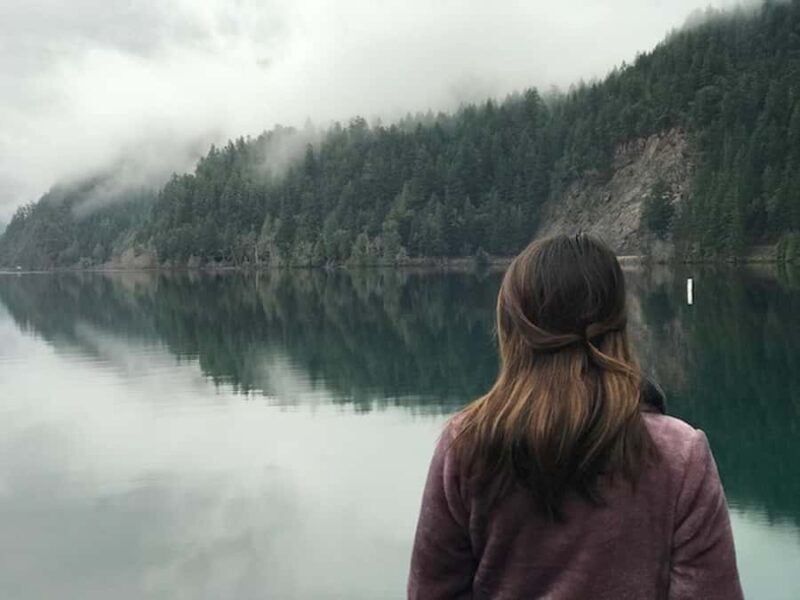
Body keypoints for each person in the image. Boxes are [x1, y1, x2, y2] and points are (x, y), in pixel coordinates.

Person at [408, 234, 743, 600]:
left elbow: (432, 592)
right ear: (618, 326)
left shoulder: (467, 444)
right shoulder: (680, 454)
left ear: (513, 329)